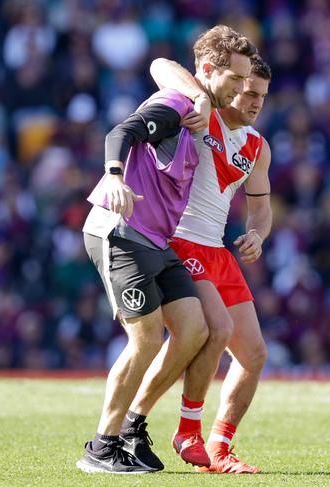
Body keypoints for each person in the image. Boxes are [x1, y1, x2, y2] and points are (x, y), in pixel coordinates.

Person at [77, 25, 255, 474]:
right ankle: (102, 446)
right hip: (120, 231)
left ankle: (135, 426)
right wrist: (115, 177)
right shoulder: (177, 106)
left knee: (195, 328)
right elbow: (122, 131)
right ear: (209, 72)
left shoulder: (203, 116)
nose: (241, 90)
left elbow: (164, 66)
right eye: (235, 80)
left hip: (156, 242)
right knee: (147, 339)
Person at [124, 54, 273, 473]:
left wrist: (257, 234)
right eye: (247, 90)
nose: (255, 101)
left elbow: (261, 208)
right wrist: (197, 95)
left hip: (218, 251)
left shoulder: (257, 146)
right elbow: (158, 64)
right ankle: (177, 427)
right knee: (214, 330)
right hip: (182, 242)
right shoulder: (198, 115)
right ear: (230, 84)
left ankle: (220, 449)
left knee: (253, 354)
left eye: (261, 95)